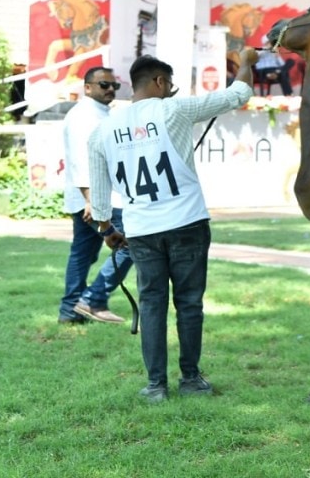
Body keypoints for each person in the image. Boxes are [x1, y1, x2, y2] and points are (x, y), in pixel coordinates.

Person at [88, 48, 258, 402]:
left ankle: (155, 386)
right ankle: (191, 379)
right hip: (187, 223)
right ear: (160, 81)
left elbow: (101, 200)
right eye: (170, 84)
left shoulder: (102, 131)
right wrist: (245, 63)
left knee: (152, 304)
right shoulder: (175, 109)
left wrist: (107, 231)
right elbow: (239, 94)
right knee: (190, 303)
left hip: (141, 229)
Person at [58, 67, 134, 325]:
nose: (111, 89)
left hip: (88, 198)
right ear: (87, 87)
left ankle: (70, 310)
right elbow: (82, 159)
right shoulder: (83, 115)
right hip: (96, 199)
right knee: (130, 244)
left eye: (115, 85)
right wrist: (92, 200)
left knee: (82, 253)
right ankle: (93, 299)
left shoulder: (100, 113)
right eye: (104, 85)